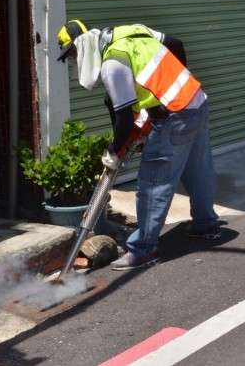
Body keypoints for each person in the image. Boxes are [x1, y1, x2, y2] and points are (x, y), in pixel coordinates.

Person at [57, 19, 225, 271]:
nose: (73, 58)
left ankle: (144, 250)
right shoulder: (131, 32)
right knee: (197, 168)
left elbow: (124, 116)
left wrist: (114, 151)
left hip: (173, 116)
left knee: (153, 184)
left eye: (72, 53)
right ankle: (206, 223)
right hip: (195, 101)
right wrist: (178, 82)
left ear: (83, 44)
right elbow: (175, 44)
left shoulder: (112, 64)